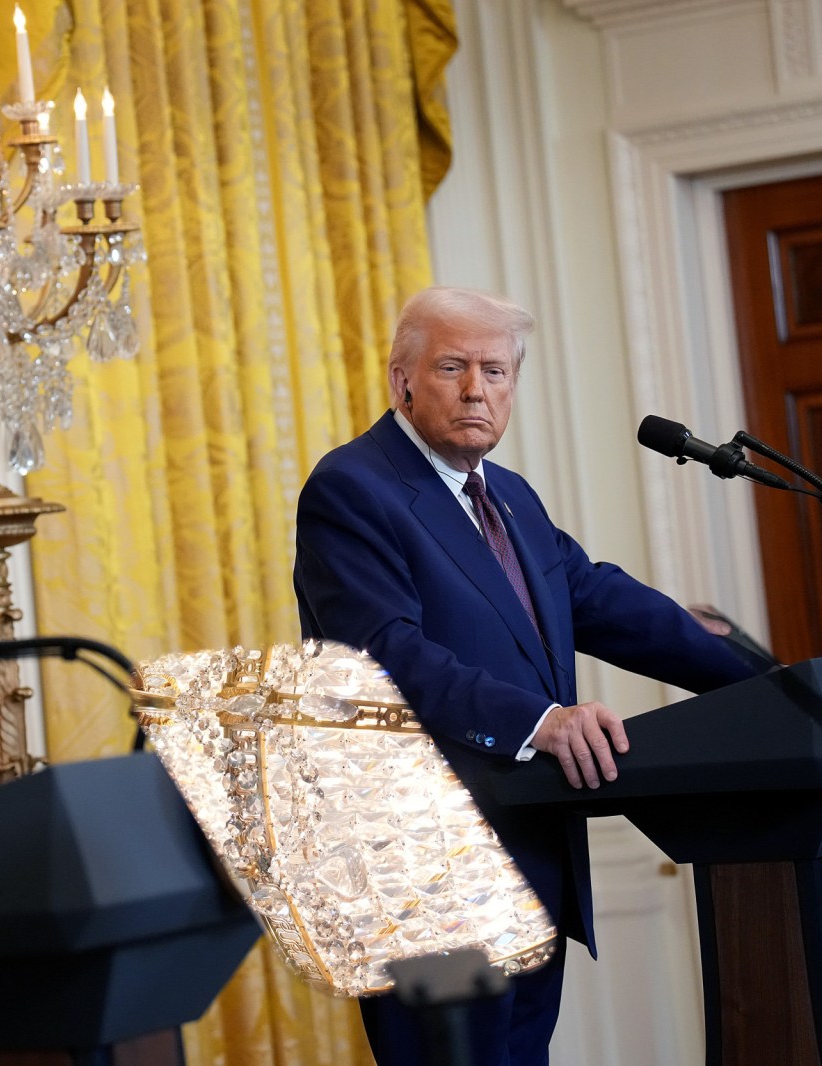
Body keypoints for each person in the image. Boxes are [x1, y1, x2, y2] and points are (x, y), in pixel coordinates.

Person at [293, 287, 761, 1066]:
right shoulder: (353, 489)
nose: (478, 388)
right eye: (453, 367)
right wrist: (540, 722)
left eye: (497, 371)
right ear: (401, 381)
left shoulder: (508, 496)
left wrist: (765, 677)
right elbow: (385, 658)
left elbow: (603, 600)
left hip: (533, 860)